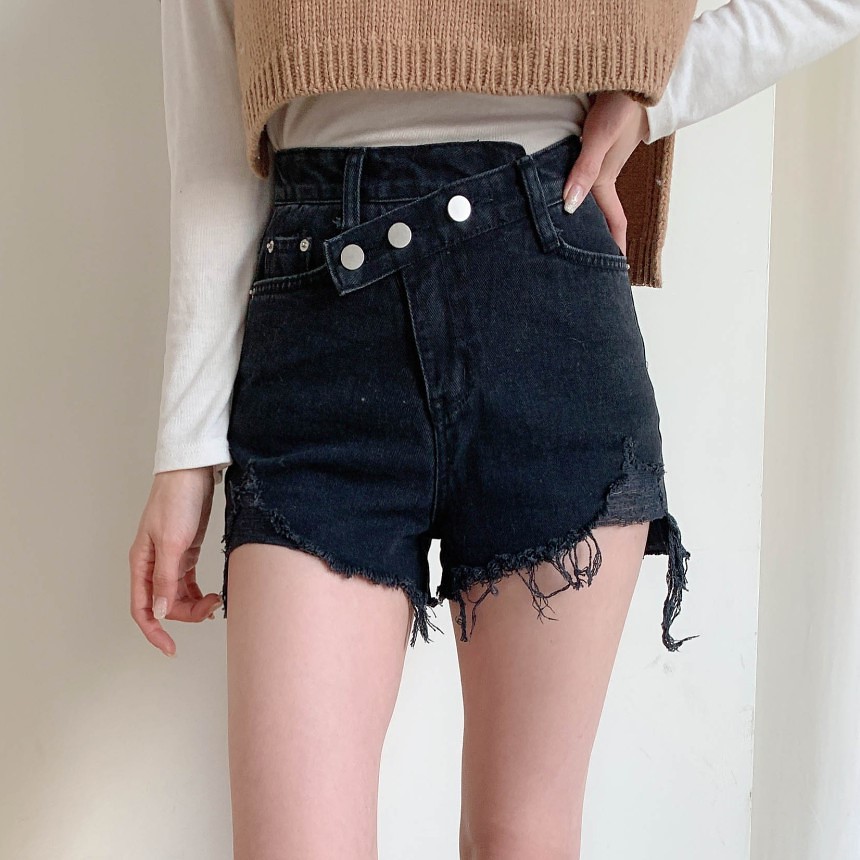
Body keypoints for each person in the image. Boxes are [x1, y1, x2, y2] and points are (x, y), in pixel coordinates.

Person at [130, 1, 860, 857]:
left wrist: (656, 100)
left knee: (524, 838)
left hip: (546, 295)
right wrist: (186, 455)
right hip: (318, 324)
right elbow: (217, 134)